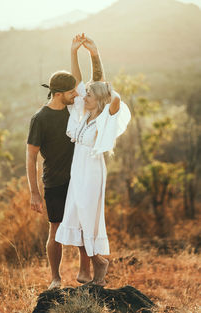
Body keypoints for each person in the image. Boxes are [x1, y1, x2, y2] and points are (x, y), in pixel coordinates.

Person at [26, 35, 105, 289]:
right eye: (71, 91)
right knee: (55, 230)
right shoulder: (40, 118)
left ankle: (84, 269)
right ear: (59, 94)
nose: (77, 93)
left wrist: (78, 53)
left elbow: (87, 83)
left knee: (82, 225)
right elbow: (30, 157)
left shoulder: (75, 109)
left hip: (79, 179)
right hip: (55, 181)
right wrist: (34, 193)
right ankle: (55, 278)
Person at [55, 34, 131, 286]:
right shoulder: (81, 115)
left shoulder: (104, 119)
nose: (81, 97)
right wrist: (75, 52)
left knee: (88, 215)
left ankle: (98, 262)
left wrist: (104, 90)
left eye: (88, 95)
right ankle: (88, 267)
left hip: (92, 171)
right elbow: (78, 84)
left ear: (98, 100)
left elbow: (112, 97)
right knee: (77, 214)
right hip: (78, 170)